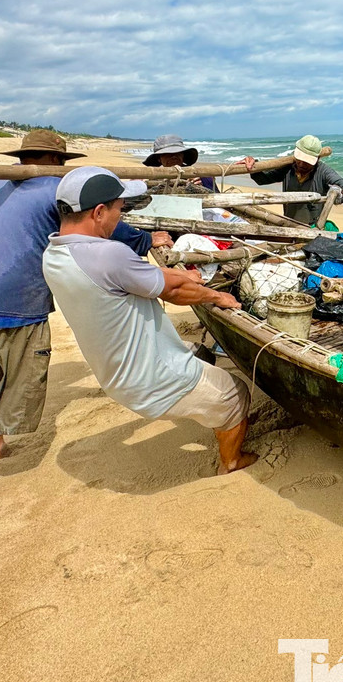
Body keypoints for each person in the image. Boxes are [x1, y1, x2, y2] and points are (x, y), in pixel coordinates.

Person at [0, 130, 171, 505]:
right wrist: (145, 241)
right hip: (18, 301)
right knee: (18, 389)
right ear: (55, 162)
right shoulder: (52, 190)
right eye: (60, 164)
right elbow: (98, 223)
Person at [41, 167, 256, 474]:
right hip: (151, 376)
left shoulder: (55, 253)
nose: (121, 216)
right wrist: (218, 297)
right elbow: (175, 292)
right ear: (99, 212)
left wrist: (179, 273)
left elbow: (140, 277)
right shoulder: (108, 254)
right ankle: (231, 463)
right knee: (236, 394)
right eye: (120, 209)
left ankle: (213, 414)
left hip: (115, 371)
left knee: (200, 354)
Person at [244, 135, 343, 226]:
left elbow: (338, 181)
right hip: (288, 223)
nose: (301, 164)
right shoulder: (288, 168)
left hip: (313, 227)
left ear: (317, 158)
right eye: (299, 159)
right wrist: (254, 166)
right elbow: (263, 179)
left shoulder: (323, 171)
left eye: (306, 162)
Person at [143, 133, 251, 192]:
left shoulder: (201, 175)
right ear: (159, 159)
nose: (174, 156)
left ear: (183, 155)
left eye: (178, 152)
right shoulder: (153, 179)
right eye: (168, 154)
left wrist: (201, 187)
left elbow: (217, 200)